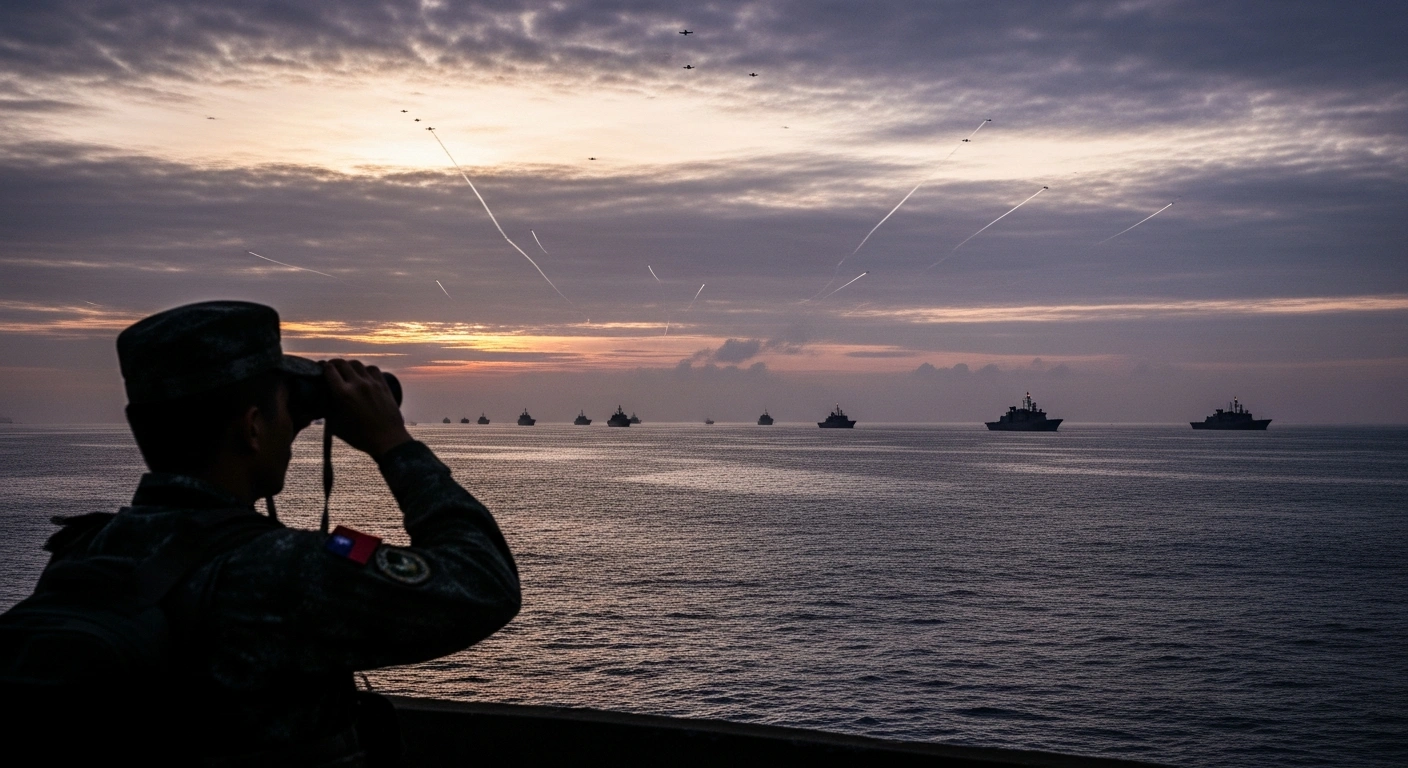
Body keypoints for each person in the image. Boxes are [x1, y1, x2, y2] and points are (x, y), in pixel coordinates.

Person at [1, 301, 521, 765]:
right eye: (285, 410)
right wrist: (393, 443)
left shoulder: (83, 548)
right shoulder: (286, 568)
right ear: (252, 427)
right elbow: (482, 582)